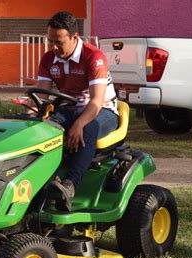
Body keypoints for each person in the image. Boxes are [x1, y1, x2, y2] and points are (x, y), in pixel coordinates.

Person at [36, 11, 118, 210]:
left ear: (74, 37)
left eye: (59, 42)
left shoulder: (94, 57)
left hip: (103, 110)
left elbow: (97, 101)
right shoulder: (48, 59)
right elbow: (42, 97)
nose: (53, 47)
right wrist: (34, 116)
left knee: (88, 129)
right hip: (70, 107)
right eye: (50, 41)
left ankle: (70, 184)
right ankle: (45, 179)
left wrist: (79, 124)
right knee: (42, 127)